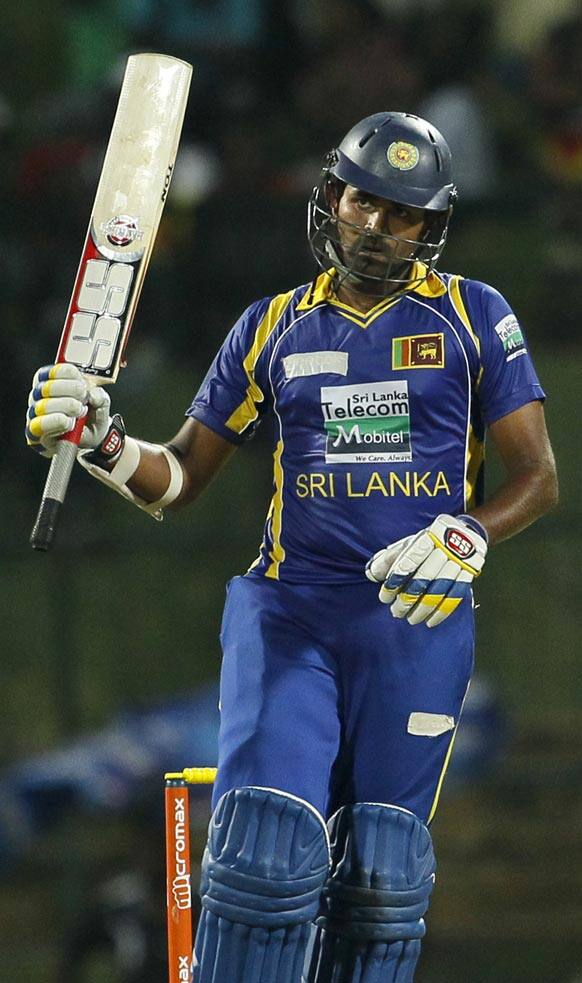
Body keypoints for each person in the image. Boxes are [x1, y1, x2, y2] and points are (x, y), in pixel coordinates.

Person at [26, 112, 558, 982]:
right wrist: (103, 443)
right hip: (292, 614)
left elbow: (538, 479)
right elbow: (178, 479)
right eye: (360, 199)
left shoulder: (473, 316)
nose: (374, 225)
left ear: (431, 225)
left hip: (416, 620)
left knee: (381, 883)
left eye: (400, 212)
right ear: (331, 195)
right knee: (263, 857)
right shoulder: (270, 326)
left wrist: (471, 530)